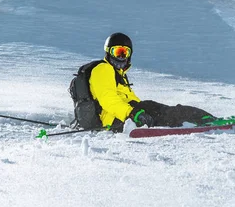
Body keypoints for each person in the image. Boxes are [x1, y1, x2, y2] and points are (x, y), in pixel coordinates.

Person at [87, 32, 216, 132]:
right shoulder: (103, 69)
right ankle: (204, 119)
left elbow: (128, 100)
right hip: (118, 119)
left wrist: (139, 113)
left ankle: (196, 120)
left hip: (125, 117)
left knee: (163, 113)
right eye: (117, 52)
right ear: (108, 52)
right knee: (162, 110)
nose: (121, 57)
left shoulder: (118, 75)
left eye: (125, 53)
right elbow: (108, 99)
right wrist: (132, 113)